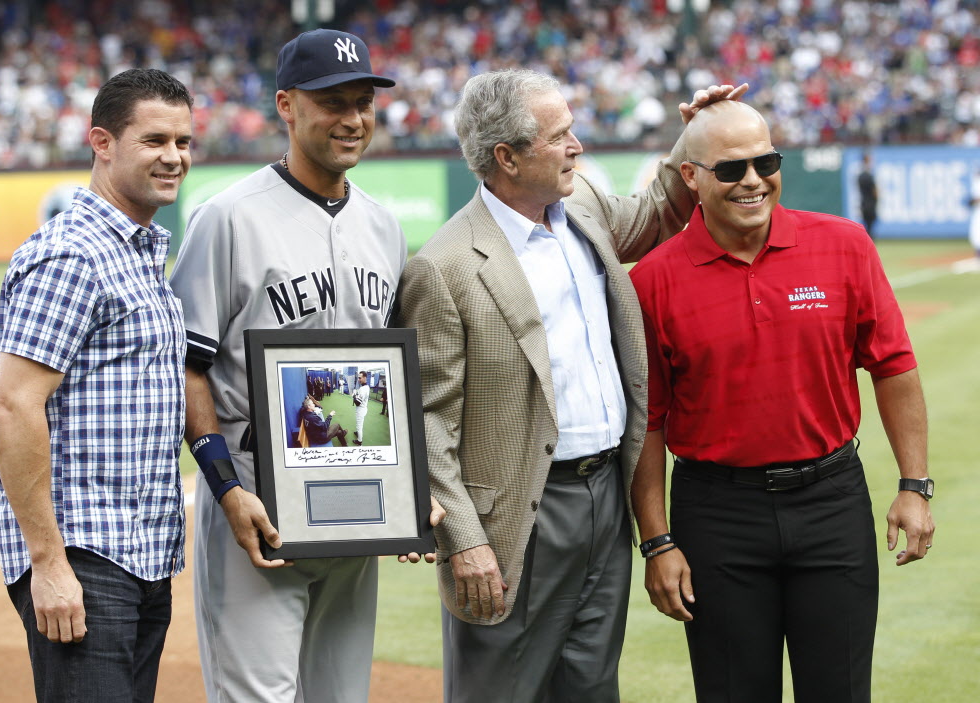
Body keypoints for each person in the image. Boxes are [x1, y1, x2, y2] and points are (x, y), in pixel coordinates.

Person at [397, 68, 746, 702]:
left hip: (605, 495)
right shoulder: (444, 266)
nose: (578, 146)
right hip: (517, 514)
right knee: (500, 689)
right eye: (560, 136)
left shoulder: (579, 205)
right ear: (507, 156)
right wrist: (466, 542)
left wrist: (690, 133)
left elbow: (662, 209)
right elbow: (426, 420)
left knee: (590, 683)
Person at [629, 101, 935, 703]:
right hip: (716, 516)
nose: (751, 180)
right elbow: (648, 423)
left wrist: (914, 484)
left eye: (765, 161)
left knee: (841, 691)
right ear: (689, 176)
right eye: (730, 168)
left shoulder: (843, 244)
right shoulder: (653, 279)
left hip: (832, 502)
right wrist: (658, 541)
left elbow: (894, 364)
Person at [169, 29, 442, 703]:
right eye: (332, 102)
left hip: (357, 507)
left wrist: (407, 491)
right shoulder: (227, 218)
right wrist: (227, 490)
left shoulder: (383, 227)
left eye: (363, 102)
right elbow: (186, 367)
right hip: (258, 505)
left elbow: (385, 382)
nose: (352, 118)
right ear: (287, 106)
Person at [0, 68, 193, 702]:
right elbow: (13, 405)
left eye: (184, 142)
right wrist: (48, 563)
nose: (174, 157)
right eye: (154, 140)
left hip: (142, 553)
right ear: (102, 142)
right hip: (84, 553)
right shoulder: (73, 254)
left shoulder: (139, 252)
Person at [858, 151, 879, 239]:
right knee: (870, 229)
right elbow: (875, 192)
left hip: (863, 204)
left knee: (866, 227)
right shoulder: (869, 176)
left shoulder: (860, 176)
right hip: (870, 205)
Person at [353, 370, 370, 445]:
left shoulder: (363, 389)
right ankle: (357, 433)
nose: (358, 379)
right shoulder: (366, 387)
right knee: (359, 424)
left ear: (364, 378)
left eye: (360, 378)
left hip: (361, 409)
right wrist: (357, 394)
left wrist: (354, 395)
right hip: (363, 408)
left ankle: (359, 441)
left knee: (359, 426)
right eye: (358, 378)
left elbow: (357, 403)